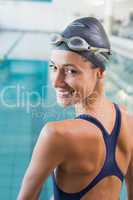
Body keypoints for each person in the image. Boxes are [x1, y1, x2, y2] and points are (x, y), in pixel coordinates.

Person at [17, 17, 133, 200]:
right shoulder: (129, 121)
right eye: (53, 67)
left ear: (100, 72)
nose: (56, 82)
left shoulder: (56, 135)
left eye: (71, 71)